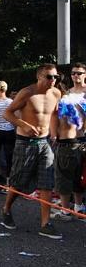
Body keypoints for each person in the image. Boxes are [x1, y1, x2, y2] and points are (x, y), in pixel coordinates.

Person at [0, 64, 62, 239]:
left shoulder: (56, 93)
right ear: (39, 77)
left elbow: (55, 114)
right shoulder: (27, 92)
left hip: (45, 142)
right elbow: (8, 113)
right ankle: (6, 209)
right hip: (25, 142)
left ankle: (45, 224)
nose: (53, 80)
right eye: (49, 77)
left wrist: (54, 133)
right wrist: (23, 124)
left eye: (56, 77)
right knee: (19, 181)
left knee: (47, 181)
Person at [50, 62, 86, 221]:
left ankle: (78, 206)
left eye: (79, 73)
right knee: (65, 174)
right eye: (73, 73)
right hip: (69, 140)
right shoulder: (66, 94)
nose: (76, 76)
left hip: (83, 140)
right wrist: (54, 134)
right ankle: (66, 209)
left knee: (80, 176)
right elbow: (57, 116)